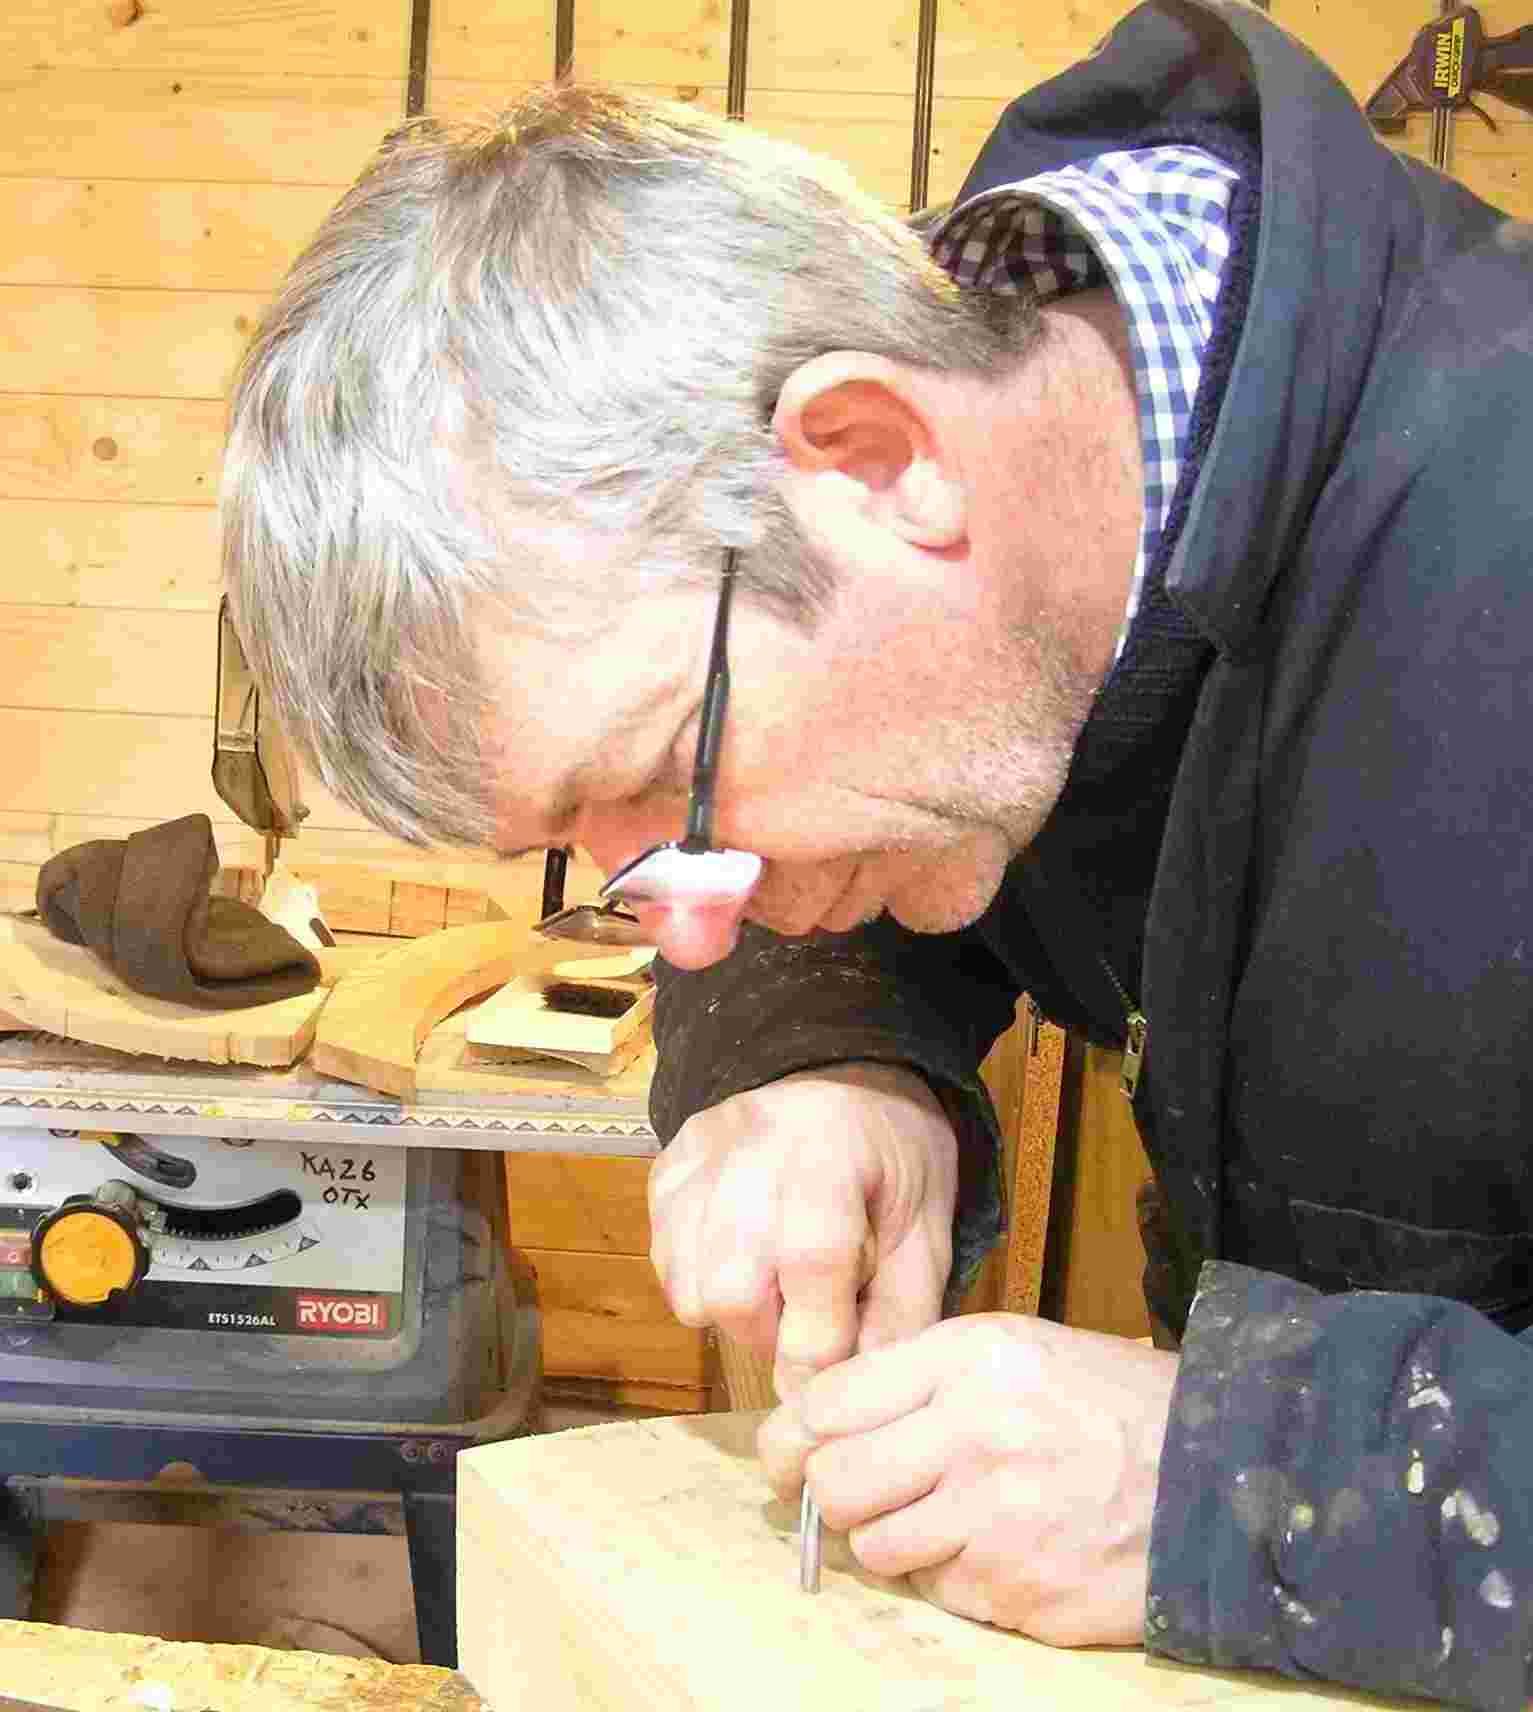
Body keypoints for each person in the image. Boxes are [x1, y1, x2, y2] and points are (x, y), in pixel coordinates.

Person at [219, 1, 1533, 1705]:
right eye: (596, 846)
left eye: (670, 778)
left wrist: (1261, 1484)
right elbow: (940, 745)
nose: (689, 935)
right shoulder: (1025, 484)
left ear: (875, 456)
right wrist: (818, 1050)